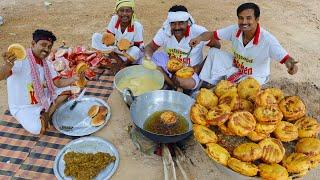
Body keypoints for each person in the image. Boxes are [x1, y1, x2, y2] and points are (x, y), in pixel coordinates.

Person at [190, 2, 298, 86]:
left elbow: (286, 59)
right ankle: (207, 83)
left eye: (248, 18)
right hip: (237, 67)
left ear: (257, 19)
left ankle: (226, 84)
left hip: (255, 77)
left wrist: (292, 66)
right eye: (241, 18)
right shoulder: (234, 30)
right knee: (214, 53)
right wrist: (199, 38)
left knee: (238, 90)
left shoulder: (268, 40)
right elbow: (211, 34)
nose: (244, 22)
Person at [1, 29, 81, 135]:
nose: (46, 49)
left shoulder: (46, 63)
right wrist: (8, 65)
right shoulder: (20, 60)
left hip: (42, 97)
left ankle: (47, 113)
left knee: (68, 90)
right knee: (37, 129)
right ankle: (46, 113)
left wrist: (74, 79)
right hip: (24, 107)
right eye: (43, 45)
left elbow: (58, 83)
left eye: (49, 47)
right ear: (33, 44)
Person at [144, 5, 220, 91]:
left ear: (187, 22)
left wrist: (200, 67)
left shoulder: (198, 32)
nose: (177, 27)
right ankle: (174, 86)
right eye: (173, 23)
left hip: (190, 70)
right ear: (169, 23)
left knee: (185, 82)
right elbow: (150, 47)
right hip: (169, 66)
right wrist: (148, 59)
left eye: (181, 23)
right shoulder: (165, 31)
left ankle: (168, 81)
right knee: (144, 60)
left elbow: (217, 45)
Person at [92, 0, 144, 73]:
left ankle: (123, 66)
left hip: (128, 55)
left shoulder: (137, 26)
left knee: (136, 51)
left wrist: (126, 46)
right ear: (117, 12)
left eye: (128, 11)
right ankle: (117, 60)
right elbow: (109, 38)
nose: (124, 14)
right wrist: (118, 59)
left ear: (132, 12)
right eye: (121, 11)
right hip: (115, 50)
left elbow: (138, 47)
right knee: (96, 37)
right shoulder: (114, 19)